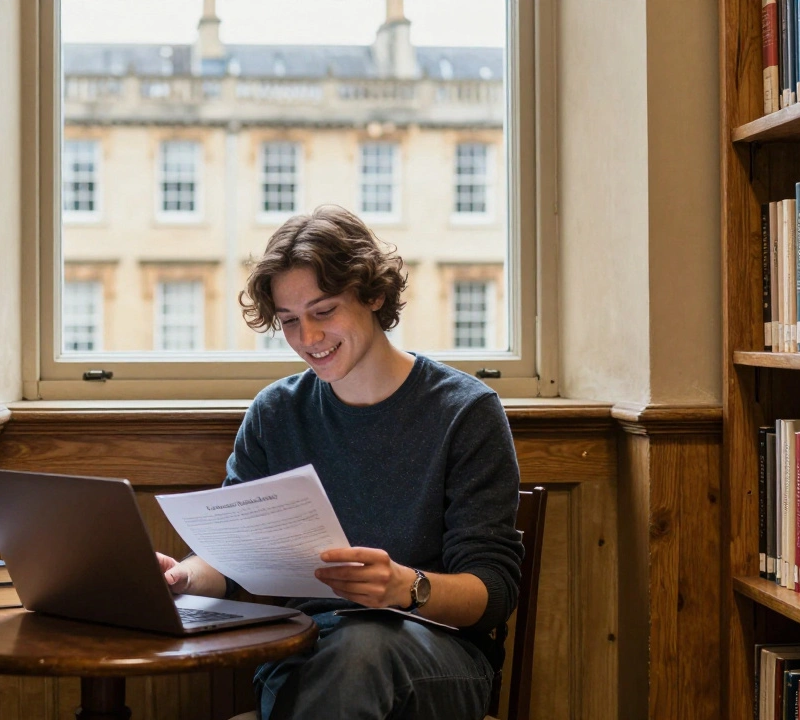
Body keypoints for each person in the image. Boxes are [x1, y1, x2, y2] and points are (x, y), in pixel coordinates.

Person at [155, 205, 524, 720]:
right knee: (341, 660)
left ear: (372, 294)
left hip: (438, 658)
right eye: (289, 321)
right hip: (302, 654)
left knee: (363, 648)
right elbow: (233, 562)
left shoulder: (464, 412)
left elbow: (494, 592)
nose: (307, 339)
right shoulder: (275, 413)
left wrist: (404, 587)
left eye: (323, 312)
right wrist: (183, 579)